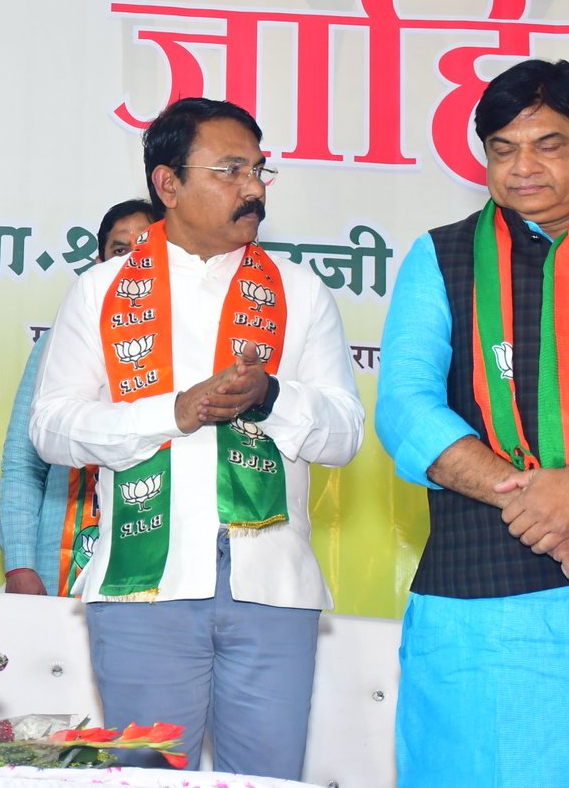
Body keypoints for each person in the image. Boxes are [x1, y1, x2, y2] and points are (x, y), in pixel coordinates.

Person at [32, 97, 362, 779]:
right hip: (143, 586)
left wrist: (270, 396)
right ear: (168, 184)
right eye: (230, 170)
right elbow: (52, 429)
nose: (253, 188)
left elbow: (344, 434)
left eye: (259, 170)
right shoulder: (101, 290)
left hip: (272, 586)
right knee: (147, 776)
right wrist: (171, 413)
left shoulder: (300, 292)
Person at [376, 58, 569, 788]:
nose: (523, 168)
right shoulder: (443, 255)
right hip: (483, 598)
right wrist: (534, 495)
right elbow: (405, 409)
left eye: (548, 145)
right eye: (502, 149)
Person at [0, 199, 156, 597]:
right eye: (119, 250)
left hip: (155, 554)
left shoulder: (183, 348)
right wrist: (20, 564)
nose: (130, 262)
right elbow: (23, 463)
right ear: (99, 262)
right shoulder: (59, 343)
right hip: (59, 564)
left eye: (144, 248)